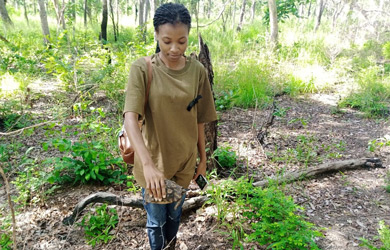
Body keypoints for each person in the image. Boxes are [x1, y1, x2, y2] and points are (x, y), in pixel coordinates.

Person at [123, 3, 217, 249]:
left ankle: (171, 245)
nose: (174, 49)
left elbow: (199, 118)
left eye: (182, 41)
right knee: (156, 221)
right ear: (156, 35)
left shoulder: (197, 71)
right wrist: (148, 166)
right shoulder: (143, 68)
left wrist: (203, 159)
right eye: (167, 41)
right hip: (154, 163)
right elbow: (130, 119)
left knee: (175, 216)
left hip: (184, 163)